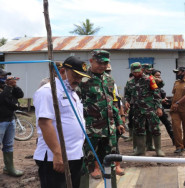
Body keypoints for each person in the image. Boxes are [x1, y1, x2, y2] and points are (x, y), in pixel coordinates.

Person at [33, 56, 89, 188]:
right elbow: (45, 123)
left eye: (81, 77)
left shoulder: (72, 93)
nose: (78, 80)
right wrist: (58, 154)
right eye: (75, 76)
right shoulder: (48, 91)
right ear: (62, 71)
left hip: (74, 155)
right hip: (56, 157)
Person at [77, 50, 125, 179]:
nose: (103, 66)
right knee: (90, 154)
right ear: (91, 61)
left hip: (109, 126)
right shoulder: (82, 79)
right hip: (91, 126)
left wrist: (119, 121)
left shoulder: (109, 79)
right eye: (99, 63)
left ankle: (110, 175)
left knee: (110, 155)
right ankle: (92, 171)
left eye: (105, 63)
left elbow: (112, 103)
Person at [124, 62, 165, 157]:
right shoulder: (130, 82)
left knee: (155, 128)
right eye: (134, 72)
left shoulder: (149, 79)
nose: (136, 73)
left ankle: (158, 150)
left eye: (138, 71)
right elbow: (127, 94)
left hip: (150, 108)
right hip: (137, 109)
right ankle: (140, 150)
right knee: (139, 129)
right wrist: (126, 101)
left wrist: (159, 107)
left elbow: (156, 94)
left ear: (142, 70)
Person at [0, 70, 24, 177]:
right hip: (1, 122)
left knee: (9, 145)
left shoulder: (6, 87)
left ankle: (9, 168)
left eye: (6, 76)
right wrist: (8, 87)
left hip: (10, 120)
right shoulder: (4, 89)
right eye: (3, 75)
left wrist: (15, 86)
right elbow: (3, 100)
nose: (6, 77)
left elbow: (20, 95)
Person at [170, 67, 185, 154]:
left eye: (178, 72)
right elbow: (174, 94)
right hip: (175, 109)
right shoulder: (176, 82)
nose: (177, 74)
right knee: (176, 127)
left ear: (184, 72)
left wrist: (178, 102)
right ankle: (179, 146)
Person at [152, 69, 174, 145]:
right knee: (152, 127)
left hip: (160, 108)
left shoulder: (159, 85)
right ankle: (150, 144)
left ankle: (175, 141)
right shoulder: (148, 84)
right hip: (151, 109)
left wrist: (164, 101)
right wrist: (161, 100)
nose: (158, 77)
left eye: (159, 76)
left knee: (168, 124)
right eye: (156, 76)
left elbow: (161, 86)